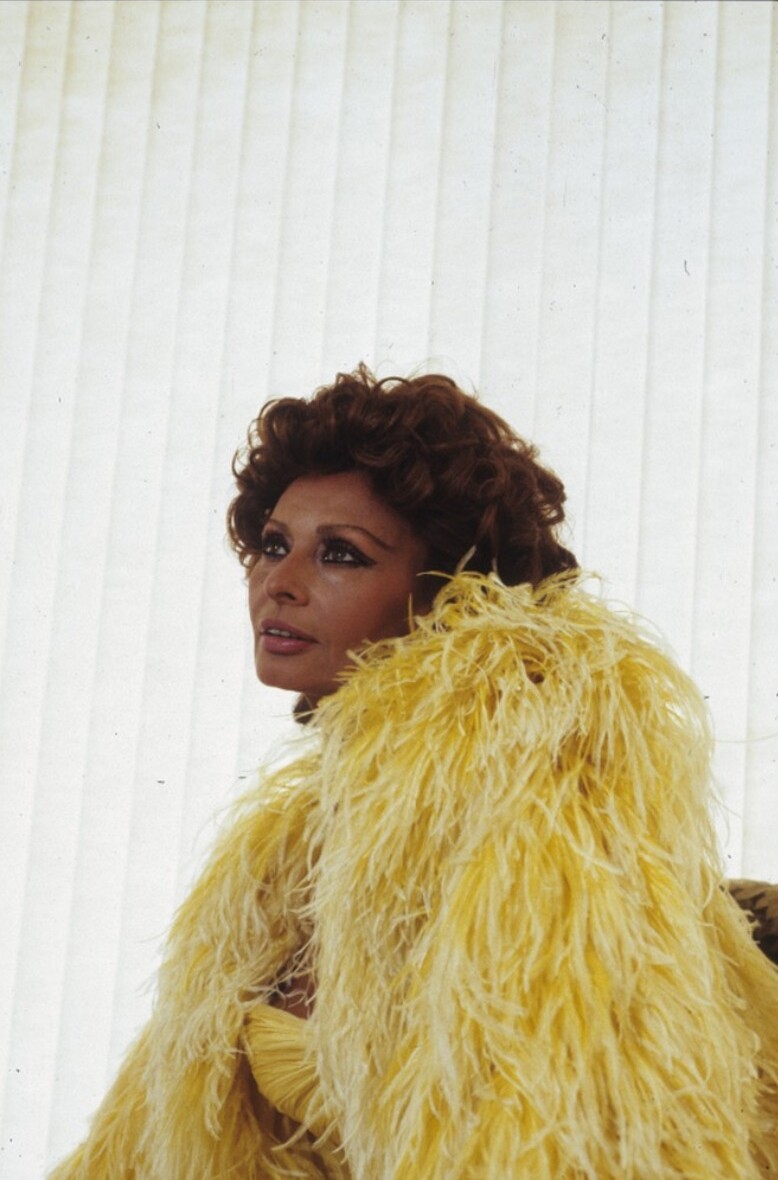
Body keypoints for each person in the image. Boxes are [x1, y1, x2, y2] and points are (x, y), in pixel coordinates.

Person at [51, 365, 778, 1179]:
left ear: (444, 594)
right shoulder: (289, 851)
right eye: (273, 545)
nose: (279, 585)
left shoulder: (528, 793)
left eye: (341, 554)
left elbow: (560, 1127)